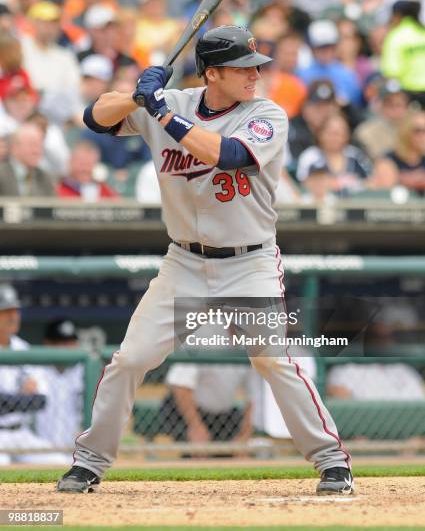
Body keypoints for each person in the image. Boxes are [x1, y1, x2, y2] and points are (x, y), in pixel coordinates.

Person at [56, 25, 353, 495]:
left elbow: (227, 154)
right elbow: (94, 118)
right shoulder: (170, 103)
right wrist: (138, 96)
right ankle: (90, 462)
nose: (255, 75)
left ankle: (332, 461)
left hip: (249, 261)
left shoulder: (267, 114)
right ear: (212, 74)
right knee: (130, 359)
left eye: (257, 67)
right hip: (184, 264)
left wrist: (159, 110)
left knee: (273, 360)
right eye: (242, 68)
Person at [0, 284, 67, 465]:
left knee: (59, 463)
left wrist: (8, 400)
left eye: (16, 310)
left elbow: (40, 400)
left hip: (21, 433)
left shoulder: (23, 348)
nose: (13, 316)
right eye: (6, 311)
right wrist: (21, 398)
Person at [158, 361, 255, 444]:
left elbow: (254, 396)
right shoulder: (200, 342)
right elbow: (180, 387)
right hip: (187, 413)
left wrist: (245, 433)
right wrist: (195, 426)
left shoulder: (250, 346)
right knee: (195, 453)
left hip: (223, 417)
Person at [34, 318, 84, 454]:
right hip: (37, 448)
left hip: (75, 450)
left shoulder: (84, 373)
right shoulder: (34, 371)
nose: (63, 348)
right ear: (47, 343)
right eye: (58, 342)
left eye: (68, 342)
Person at [0, 122, 56, 197]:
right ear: (14, 147)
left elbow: (53, 206)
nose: (37, 151)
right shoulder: (2, 174)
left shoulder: (44, 178)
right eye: (32, 145)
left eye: (40, 146)